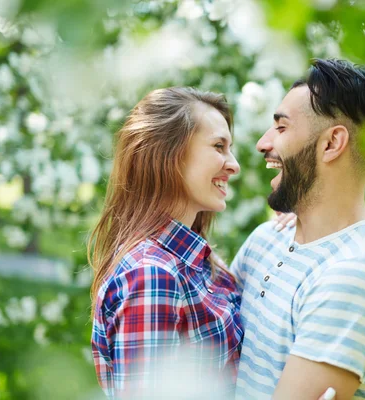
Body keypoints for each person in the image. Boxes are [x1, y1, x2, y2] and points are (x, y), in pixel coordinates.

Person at [231, 59, 365, 400]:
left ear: (331, 144)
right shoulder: (267, 239)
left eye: (281, 128)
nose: (262, 144)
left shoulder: (355, 277)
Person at [88, 87, 244, 398]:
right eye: (218, 146)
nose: (234, 165)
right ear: (168, 155)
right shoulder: (152, 276)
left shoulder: (195, 261)